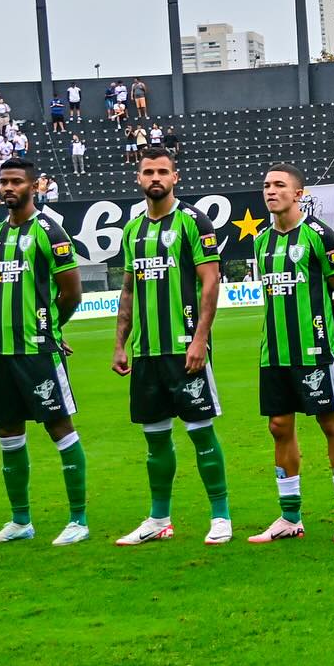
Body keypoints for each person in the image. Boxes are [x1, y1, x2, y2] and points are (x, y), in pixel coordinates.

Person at [111, 150, 231, 545]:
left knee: (200, 431)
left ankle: (221, 516)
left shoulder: (194, 221)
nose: (155, 177)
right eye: (149, 172)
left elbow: (210, 282)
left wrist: (199, 339)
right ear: (138, 178)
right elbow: (128, 290)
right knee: (155, 437)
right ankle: (158, 519)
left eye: (163, 171)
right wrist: (120, 344)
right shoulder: (132, 231)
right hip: (146, 353)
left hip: (184, 349)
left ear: (175, 177)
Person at [0, 158, 89, 547]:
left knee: (59, 427)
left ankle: (79, 519)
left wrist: (50, 328)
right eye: (3, 182)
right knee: (8, 431)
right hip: (0, 351)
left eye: (16, 182)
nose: (8, 188)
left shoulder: (48, 230)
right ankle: (20, 520)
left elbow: (71, 291)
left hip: (37, 349)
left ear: (33, 187)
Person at [247, 164, 334, 544]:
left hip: (313, 352)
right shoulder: (261, 241)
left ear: (298, 193)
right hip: (274, 353)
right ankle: (290, 517)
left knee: (330, 424)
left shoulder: (319, 235)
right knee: (279, 426)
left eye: (279, 185)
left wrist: (324, 336)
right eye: (266, 185)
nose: (270, 191)